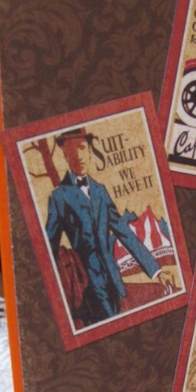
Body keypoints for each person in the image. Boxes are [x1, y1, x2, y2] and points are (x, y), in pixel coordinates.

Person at [45, 127, 172, 326]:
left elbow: (124, 232)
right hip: (87, 287)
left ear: (89, 151)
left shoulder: (100, 191)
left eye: (82, 147)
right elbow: (48, 248)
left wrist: (156, 271)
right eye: (72, 149)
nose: (79, 155)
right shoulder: (59, 196)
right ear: (65, 154)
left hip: (114, 283)